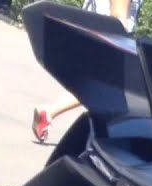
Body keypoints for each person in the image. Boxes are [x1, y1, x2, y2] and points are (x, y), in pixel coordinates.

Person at [31, 0, 139, 143]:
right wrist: (121, 45)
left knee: (98, 85)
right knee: (109, 87)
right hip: (108, 34)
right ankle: (100, 144)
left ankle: (49, 112)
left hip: (95, 28)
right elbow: (118, 15)